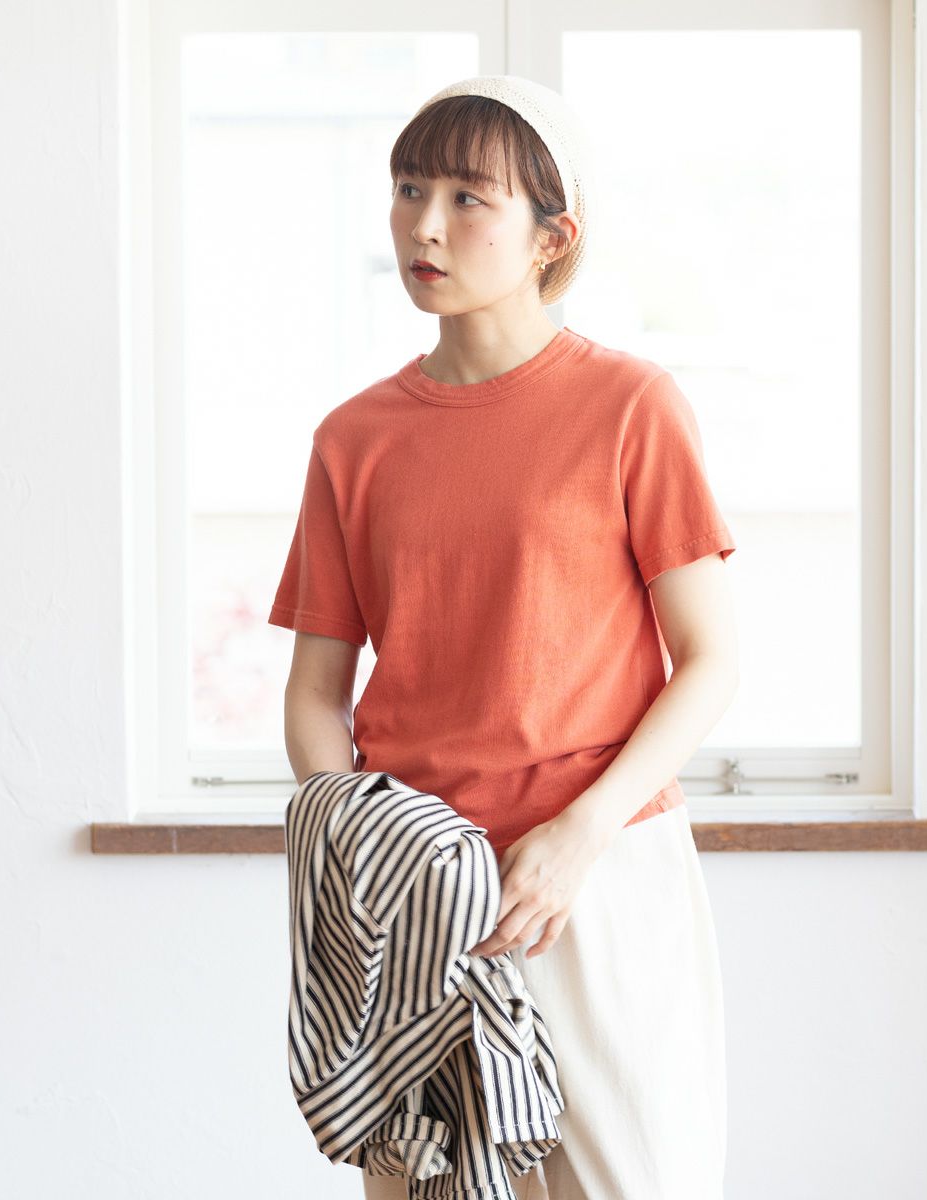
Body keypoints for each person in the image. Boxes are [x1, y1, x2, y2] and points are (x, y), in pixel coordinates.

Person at [271, 74, 738, 1200]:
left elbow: (711, 660)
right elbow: (316, 691)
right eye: (408, 189)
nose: (423, 225)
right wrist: (362, 848)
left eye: (467, 198)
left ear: (550, 237)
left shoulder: (631, 406)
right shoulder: (353, 440)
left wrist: (581, 833)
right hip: (421, 897)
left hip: (598, 877)